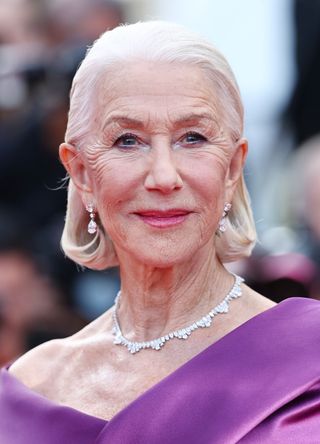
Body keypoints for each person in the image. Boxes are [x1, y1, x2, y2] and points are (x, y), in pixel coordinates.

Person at [1, 21, 320, 444]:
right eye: (128, 141)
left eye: (193, 137)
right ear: (80, 173)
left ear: (232, 169)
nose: (164, 176)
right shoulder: (30, 389)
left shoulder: (310, 357)